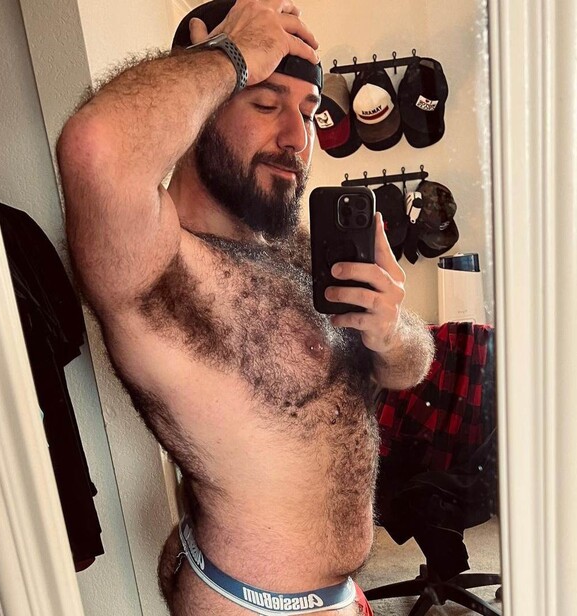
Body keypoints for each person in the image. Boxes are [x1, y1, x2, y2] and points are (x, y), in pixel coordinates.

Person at [56, 0, 434, 614]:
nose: (297, 140)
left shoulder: (298, 249)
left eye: (307, 112)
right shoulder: (158, 265)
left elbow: (408, 368)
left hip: (342, 597)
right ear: (203, 105)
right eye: (264, 103)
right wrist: (230, 54)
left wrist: (393, 331)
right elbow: (95, 149)